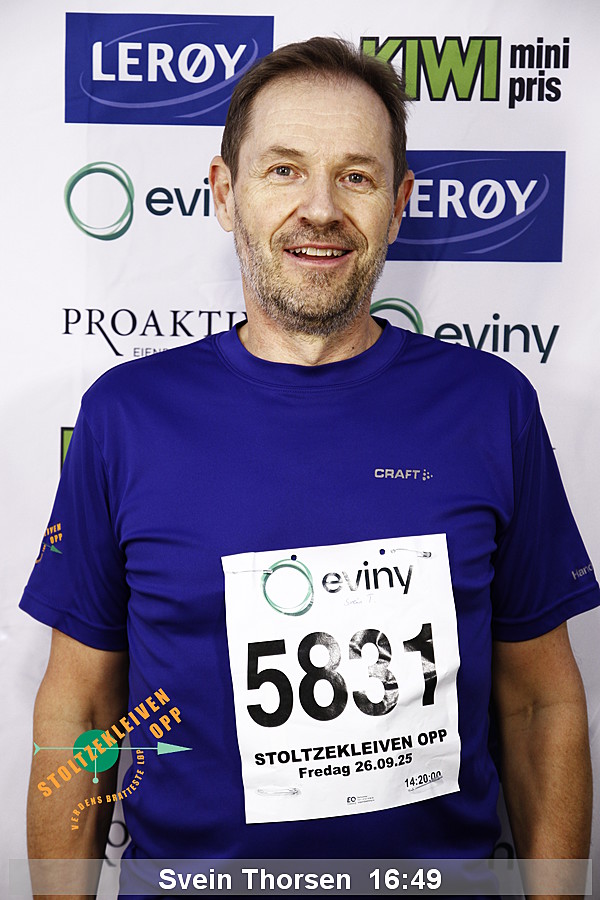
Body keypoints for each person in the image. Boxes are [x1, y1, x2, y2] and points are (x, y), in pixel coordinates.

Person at [21, 36, 598, 898]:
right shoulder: (127, 416)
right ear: (226, 193)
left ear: (398, 206)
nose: (320, 209)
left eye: (355, 177)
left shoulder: (492, 406)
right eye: (284, 170)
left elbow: (538, 703)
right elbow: (82, 708)